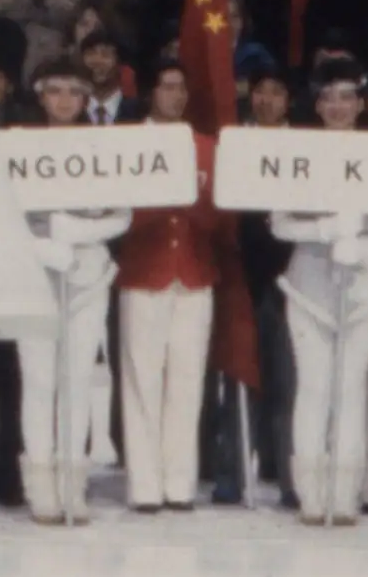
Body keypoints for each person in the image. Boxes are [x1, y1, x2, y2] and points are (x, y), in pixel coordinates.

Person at [271, 58, 368, 527]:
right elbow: (279, 223)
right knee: (313, 387)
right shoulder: (297, 151)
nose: (337, 106)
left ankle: (345, 491)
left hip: (363, 283)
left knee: (350, 389)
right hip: (308, 283)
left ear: (361, 103)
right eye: (328, 98)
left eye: (347, 97)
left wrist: (365, 243)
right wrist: (326, 230)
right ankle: (311, 491)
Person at [21, 54, 128, 526]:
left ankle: (73, 483)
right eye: (55, 90)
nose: (64, 101)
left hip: (88, 274)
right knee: (40, 381)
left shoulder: (104, 149)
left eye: (73, 91)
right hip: (36, 274)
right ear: (41, 96)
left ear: (87, 99)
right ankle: (41, 486)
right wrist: (41, 245)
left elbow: (123, 212)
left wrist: (77, 234)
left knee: (78, 382)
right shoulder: (18, 146)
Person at [112, 61, 223, 512]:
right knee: (142, 378)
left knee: (187, 380)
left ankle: (180, 484)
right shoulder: (129, 143)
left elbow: (223, 214)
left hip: (194, 273)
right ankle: (144, 485)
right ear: (150, 91)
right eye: (168, 87)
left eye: (182, 88)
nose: (176, 96)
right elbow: (116, 212)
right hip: (144, 271)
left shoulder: (207, 147)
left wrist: (196, 208)